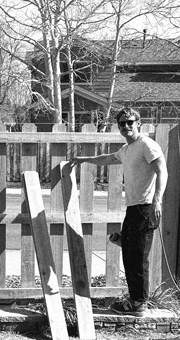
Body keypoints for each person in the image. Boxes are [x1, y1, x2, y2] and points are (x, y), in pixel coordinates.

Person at [72, 107, 168, 316]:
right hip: (133, 208)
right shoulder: (127, 150)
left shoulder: (147, 145)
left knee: (138, 257)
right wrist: (84, 159)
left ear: (138, 123)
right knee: (130, 254)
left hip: (146, 206)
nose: (126, 126)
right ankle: (135, 300)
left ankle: (138, 304)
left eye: (130, 122)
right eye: (122, 124)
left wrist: (158, 200)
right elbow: (108, 158)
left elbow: (162, 171)